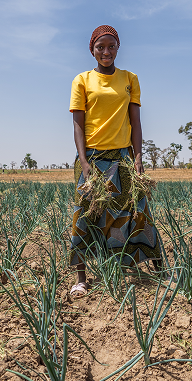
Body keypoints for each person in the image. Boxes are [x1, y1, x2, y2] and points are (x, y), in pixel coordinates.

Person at [68, 25, 161, 297]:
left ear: (118, 48)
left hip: (122, 157)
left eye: (111, 46)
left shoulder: (130, 79)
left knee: (138, 209)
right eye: (101, 47)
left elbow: (136, 123)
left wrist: (138, 156)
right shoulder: (82, 80)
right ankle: (81, 279)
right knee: (85, 213)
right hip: (92, 157)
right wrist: (84, 161)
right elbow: (77, 125)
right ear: (92, 50)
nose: (106, 52)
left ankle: (159, 271)